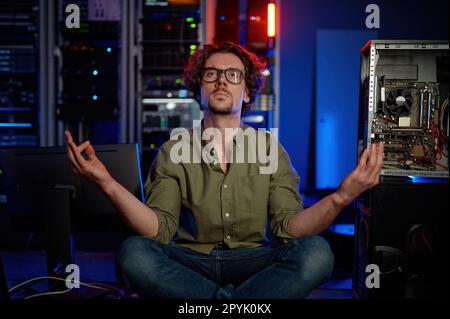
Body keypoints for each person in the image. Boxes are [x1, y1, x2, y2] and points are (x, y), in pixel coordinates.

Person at [64, 41, 384, 299]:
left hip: (254, 262)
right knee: (133, 253)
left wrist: (342, 197)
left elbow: (290, 230)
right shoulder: (173, 151)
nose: (221, 80)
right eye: (211, 74)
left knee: (316, 252)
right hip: (190, 262)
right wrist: (106, 182)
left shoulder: (271, 149)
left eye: (233, 75)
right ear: (198, 89)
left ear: (246, 92)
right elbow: (156, 231)